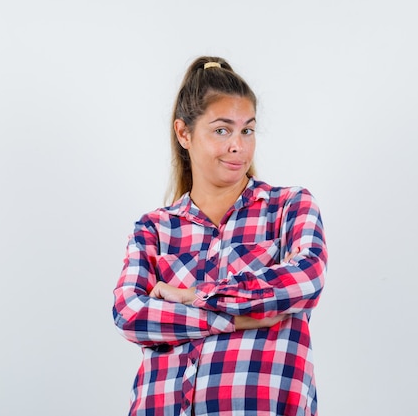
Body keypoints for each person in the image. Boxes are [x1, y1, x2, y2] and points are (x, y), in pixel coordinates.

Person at [112, 56, 327, 416]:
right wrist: (233, 317)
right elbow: (129, 312)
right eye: (222, 130)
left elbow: (305, 279)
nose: (238, 146)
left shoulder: (289, 206)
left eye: (247, 130)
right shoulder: (154, 228)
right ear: (184, 133)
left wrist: (192, 297)